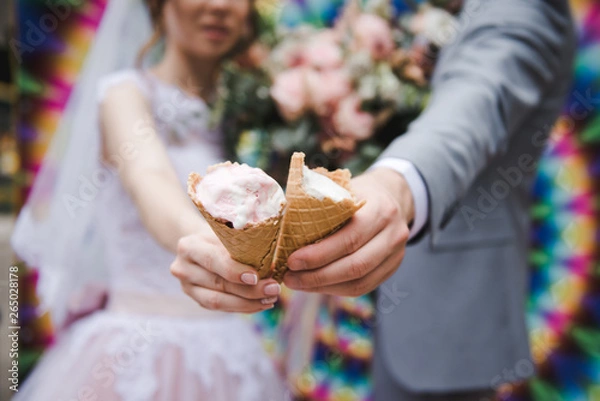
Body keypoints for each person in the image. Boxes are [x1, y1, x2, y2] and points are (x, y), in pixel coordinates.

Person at [170, 0, 576, 400]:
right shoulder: (403, 15)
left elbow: (468, 114)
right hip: (337, 313)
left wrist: (391, 186)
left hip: (445, 317)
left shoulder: (524, 8)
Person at [11, 0, 288, 400]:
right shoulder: (124, 95)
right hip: (135, 352)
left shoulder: (259, 114)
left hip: (233, 350)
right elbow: (150, 179)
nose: (220, 6)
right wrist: (205, 245)